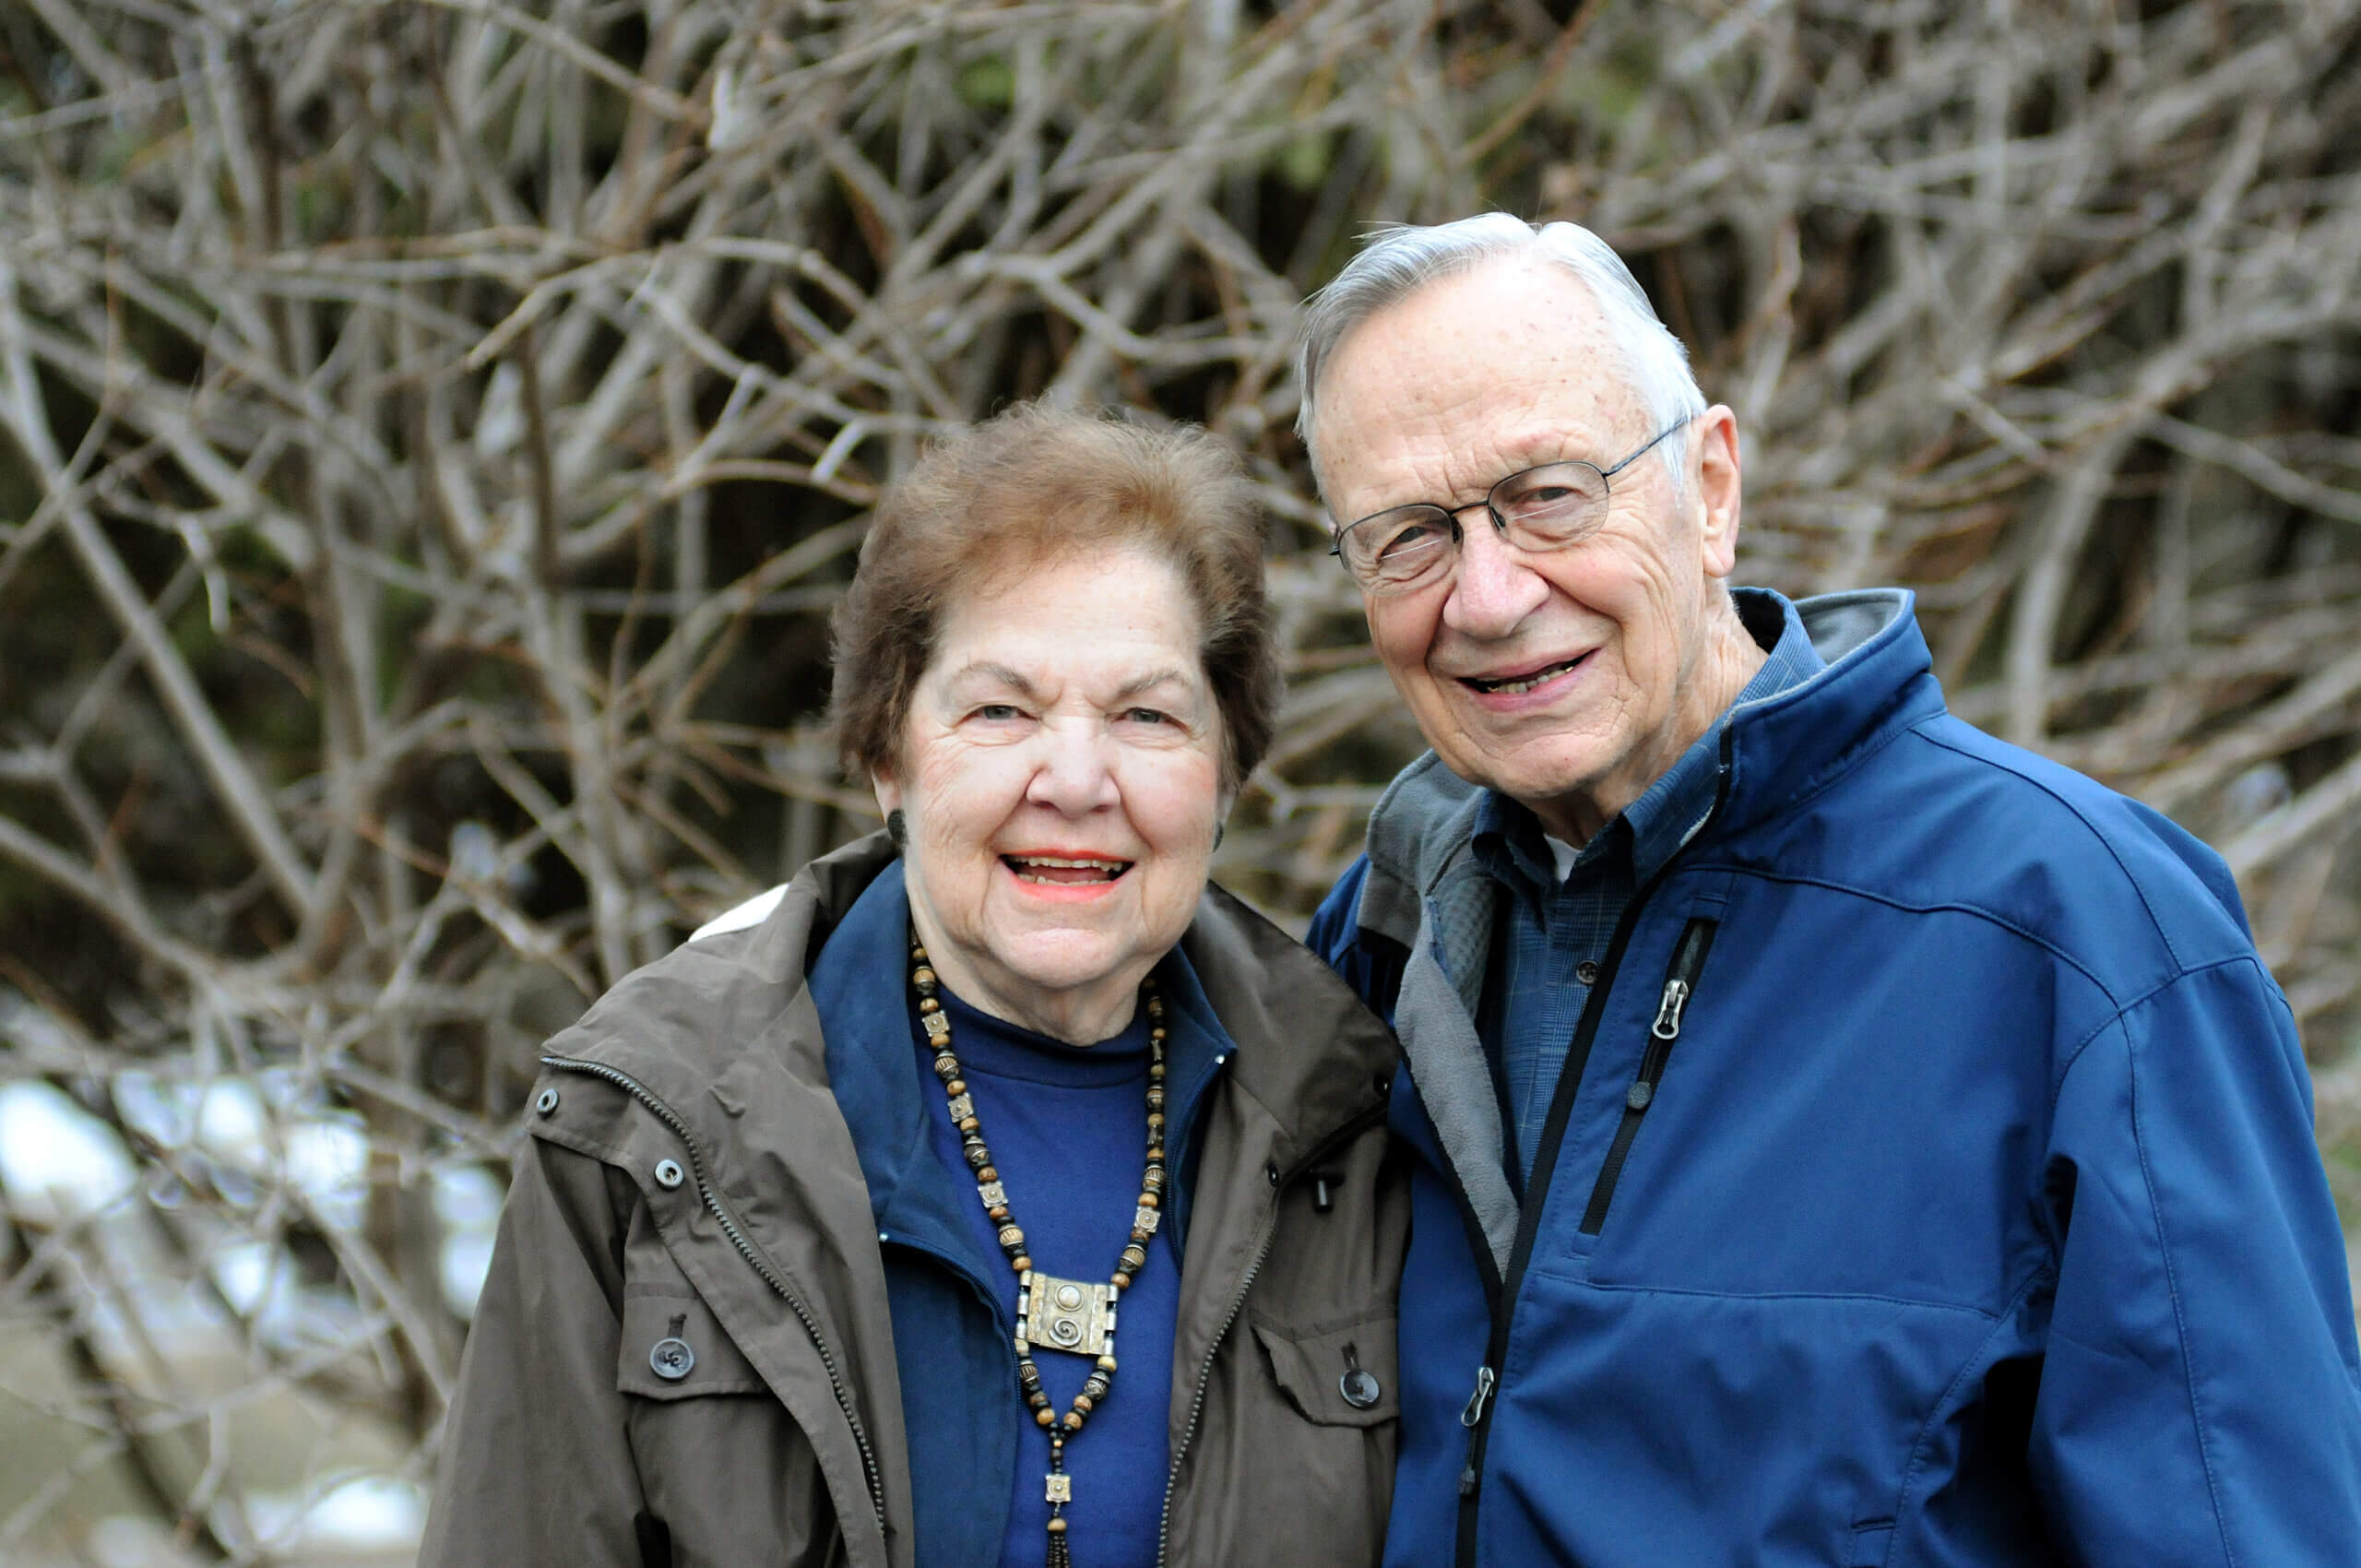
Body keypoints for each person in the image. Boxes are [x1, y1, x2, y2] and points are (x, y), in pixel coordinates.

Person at [1298, 214, 2361, 1566]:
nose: (1492, 594)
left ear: (1713, 488)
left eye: (1550, 495)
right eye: (1410, 538)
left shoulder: (2076, 933)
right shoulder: (1382, 947)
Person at [421, 404, 1406, 1568]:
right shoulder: (645, 1123)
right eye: (1002, 709)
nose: (1077, 779)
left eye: (1147, 714)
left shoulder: (1354, 1119)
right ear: (889, 754)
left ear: (1225, 767)